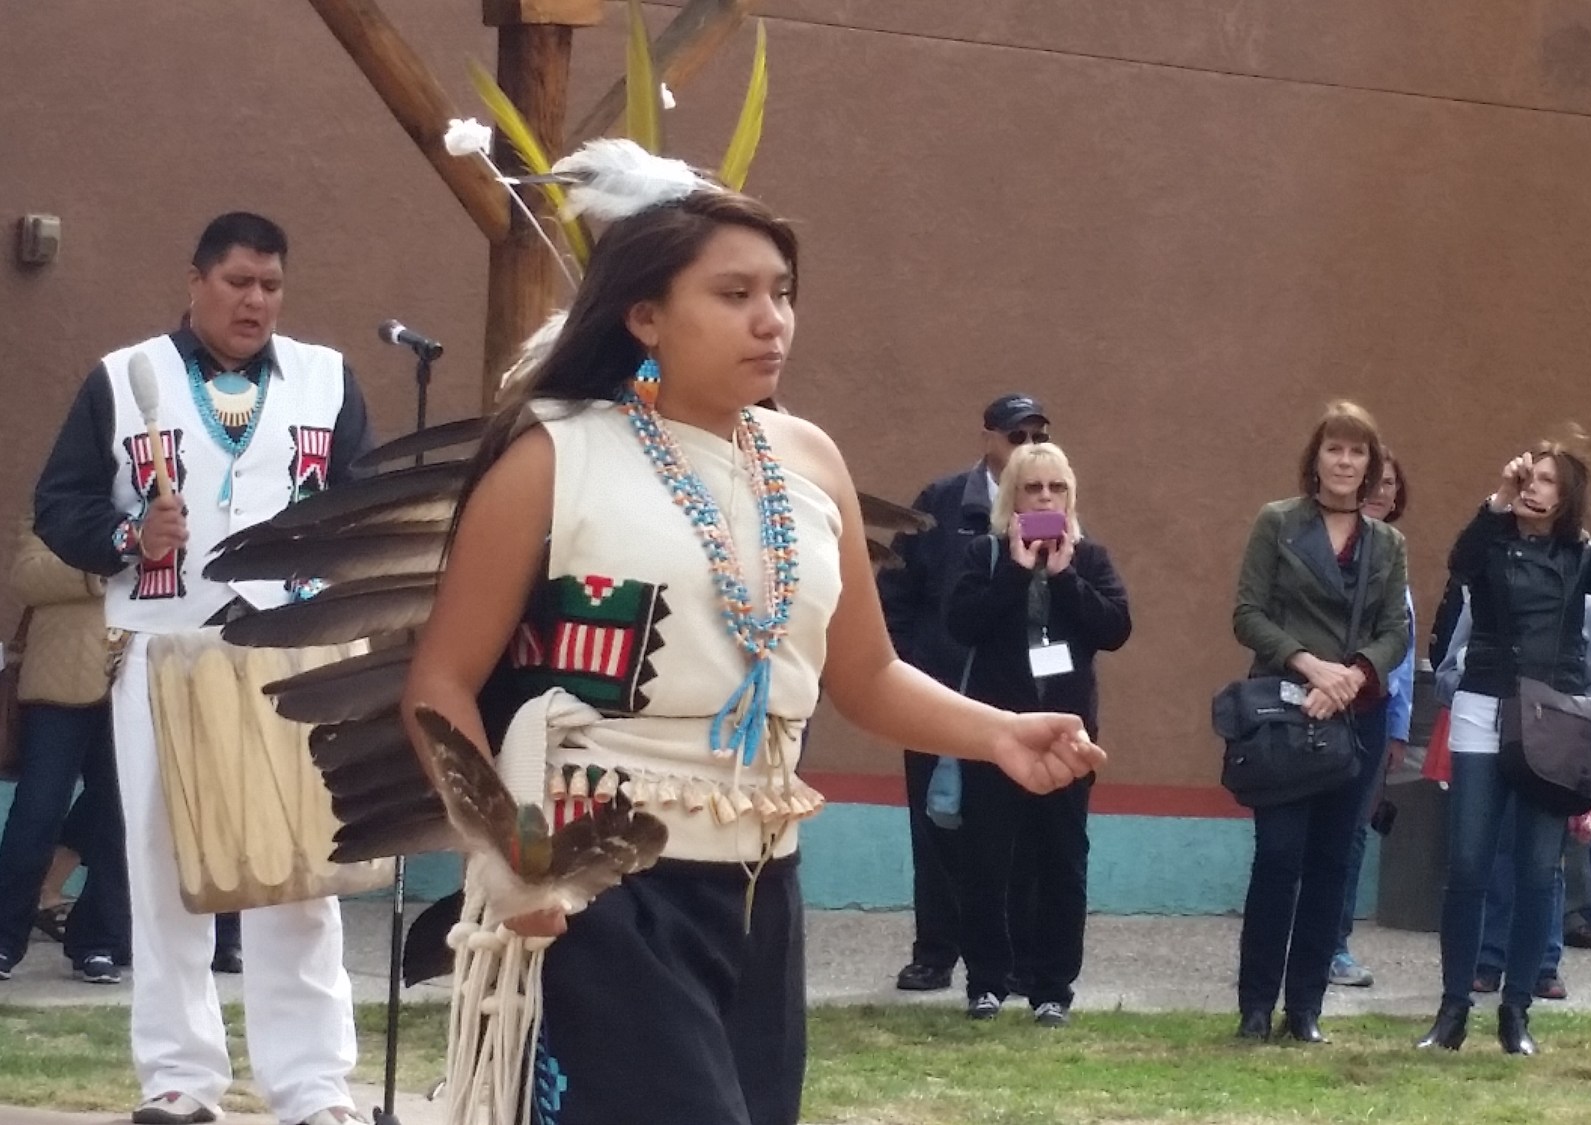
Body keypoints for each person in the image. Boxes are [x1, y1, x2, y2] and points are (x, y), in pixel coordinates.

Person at [399, 154, 1104, 1125]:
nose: (771, 319)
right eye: (734, 295)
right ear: (645, 316)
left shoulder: (807, 459)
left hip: (763, 891)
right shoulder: (555, 457)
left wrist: (997, 733)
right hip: (604, 887)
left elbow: (866, 674)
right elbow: (439, 682)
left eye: (781, 292)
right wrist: (509, 853)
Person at [34, 212, 372, 1125]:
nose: (255, 301)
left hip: (290, 647)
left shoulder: (326, 379)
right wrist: (128, 535)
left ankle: (312, 1086)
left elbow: (359, 505)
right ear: (196, 281)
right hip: (163, 646)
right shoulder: (122, 378)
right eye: (238, 282)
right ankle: (180, 1079)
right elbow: (57, 505)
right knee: (159, 861)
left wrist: (332, 577)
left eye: (271, 285)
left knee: (298, 867)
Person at [1417, 440, 1591, 1056]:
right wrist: (1498, 494)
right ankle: (1453, 1008)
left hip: (1550, 718)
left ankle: (1516, 1011)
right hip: (1483, 704)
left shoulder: (1579, 555)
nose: (1533, 487)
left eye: (1546, 481)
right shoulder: (1491, 541)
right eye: (1529, 477)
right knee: (1468, 863)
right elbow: (1460, 559)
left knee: (1539, 869)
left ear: (1565, 498)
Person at [1230, 401, 1409, 1045]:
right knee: (1279, 857)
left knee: (1333, 864)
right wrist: (1309, 665)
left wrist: (1353, 677)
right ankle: (1255, 1006)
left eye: (1357, 451)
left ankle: (1305, 1010)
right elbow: (1248, 614)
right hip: (1285, 712)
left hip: (1354, 720)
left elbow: (1396, 630)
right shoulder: (1277, 522)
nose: (1345, 461)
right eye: (1335, 448)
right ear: (1317, 457)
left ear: (1371, 465)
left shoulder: (1388, 543)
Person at [946, 442, 1130, 1026]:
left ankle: (1053, 989)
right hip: (997, 733)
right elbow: (961, 623)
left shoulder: (1089, 557)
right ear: (1013, 497)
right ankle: (987, 982)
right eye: (1033, 488)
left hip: (1067, 736)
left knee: (1062, 861)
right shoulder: (986, 554)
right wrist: (1018, 572)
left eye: (1057, 488)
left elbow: (1115, 628)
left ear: (1070, 496)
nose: (1046, 497)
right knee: (987, 859)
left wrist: (1066, 575)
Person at [877, 392, 1052, 992]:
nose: (1028, 446)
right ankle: (935, 953)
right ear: (988, 439)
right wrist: (908, 669)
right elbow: (895, 591)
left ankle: (1015, 961)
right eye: (1017, 435)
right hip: (939, 695)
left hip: (1018, 698)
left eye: (1038, 435)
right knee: (936, 828)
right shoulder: (942, 501)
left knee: (1020, 834)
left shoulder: (1050, 505)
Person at [0, 521, 129, 984]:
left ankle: (99, 942)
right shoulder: (60, 507)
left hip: (134, 682)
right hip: (58, 683)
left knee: (116, 820)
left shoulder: (161, 506)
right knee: (36, 812)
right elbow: (28, 576)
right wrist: (101, 568)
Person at [1441, 594, 1591, 1001]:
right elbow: (1448, 672)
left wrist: (1569, 724)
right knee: (1482, 858)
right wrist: (1474, 693)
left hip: (1552, 748)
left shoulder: (1582, 603)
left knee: (1543, 864)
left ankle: (1542, 967)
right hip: (1485, 739)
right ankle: (1484, 963)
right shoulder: (1483, 596)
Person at [1330, 448, 1411, 989]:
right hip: (1324, 704)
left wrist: (1399, 729)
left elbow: (1400, 652)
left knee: (1354, 834)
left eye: (1390, 484)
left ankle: (1335, 945)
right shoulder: (1331, 550)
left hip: (1375, 715)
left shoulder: (1394, 555)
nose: (1381, 491)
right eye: (1374, 482)